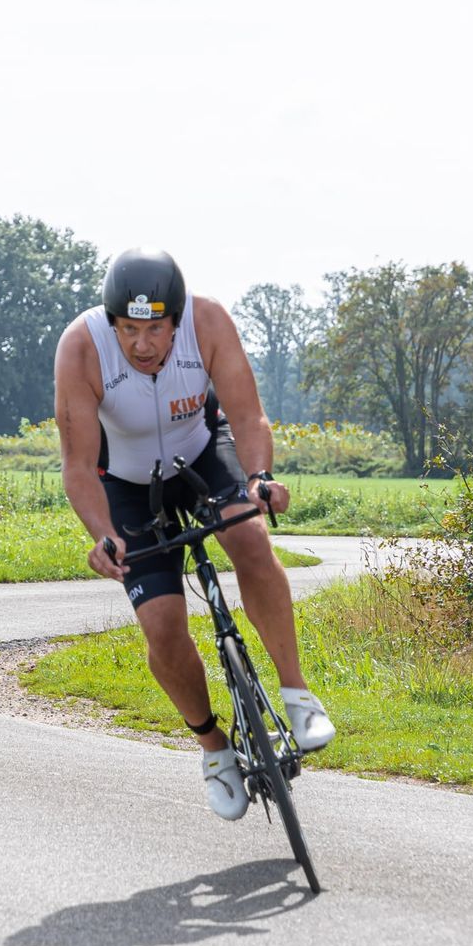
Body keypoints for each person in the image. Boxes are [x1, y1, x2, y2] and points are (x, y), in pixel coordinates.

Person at [55, 247, 334, 821]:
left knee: (250, 539)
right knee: (161, 624)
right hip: (127, 484)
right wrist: (104, 536)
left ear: (175, 320)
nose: (142, 344)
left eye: (155, 328)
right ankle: (214, 749)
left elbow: (249, 414)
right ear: (113, 324)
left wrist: (260, 478)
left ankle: (297, 694)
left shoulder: (207, 321)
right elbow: (79, 467)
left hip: (202, 454)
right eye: (129, 330)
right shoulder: (81, 348)